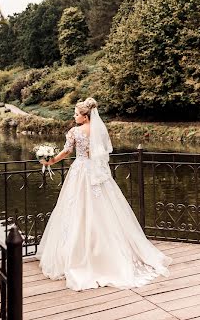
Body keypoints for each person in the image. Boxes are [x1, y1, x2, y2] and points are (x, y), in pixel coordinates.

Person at [35, 97, 172, 291]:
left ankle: (79, 255)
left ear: (85, 115)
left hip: (80, 172)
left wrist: (49, 161)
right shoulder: (99, 130)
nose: (74, 117)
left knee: (76, 210)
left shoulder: (74, 132)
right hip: (97, 174)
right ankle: (108, 253)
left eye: (76, 114)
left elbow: (66, 152)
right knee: (105, 212)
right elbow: (101, 153)